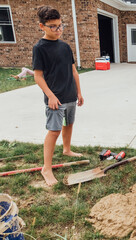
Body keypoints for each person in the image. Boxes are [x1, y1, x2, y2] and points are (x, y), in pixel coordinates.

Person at [32, 6, 84, 186]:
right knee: (54, 131)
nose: (58, 30)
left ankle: (67, 149)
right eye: (53, 26)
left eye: (60, 25)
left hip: (70, 94)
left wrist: (79, 91)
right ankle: (46, 168)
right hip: (55, 98)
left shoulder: (65, 46)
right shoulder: (39, 48)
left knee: (69, 123)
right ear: (42, 26)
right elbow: (37, 76)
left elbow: (73, 71)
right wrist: (51, 96)